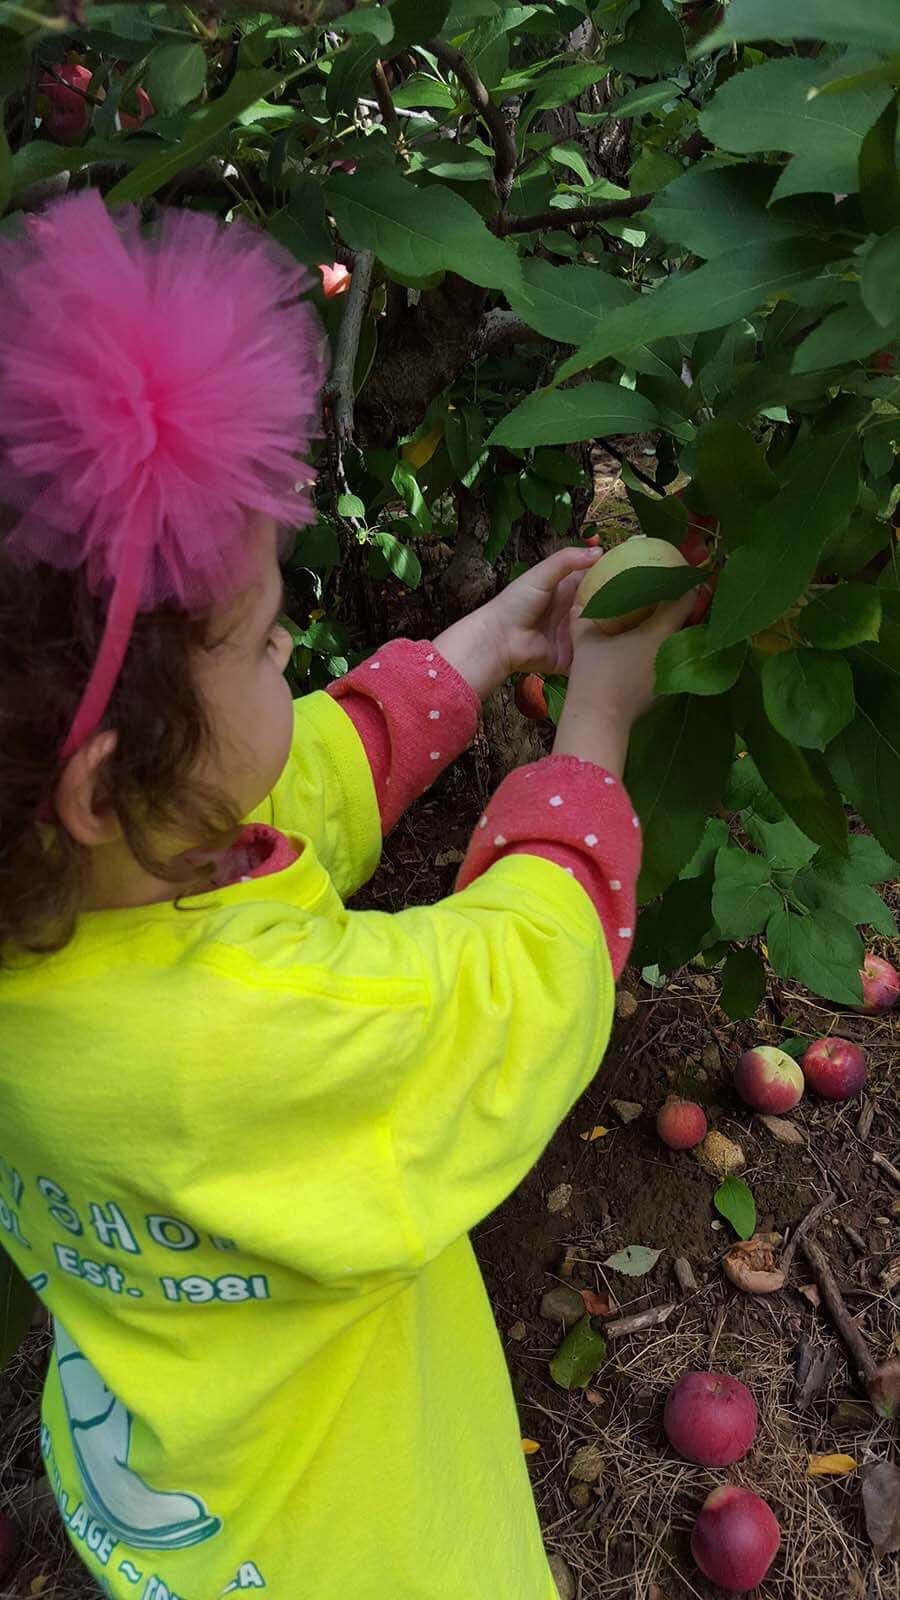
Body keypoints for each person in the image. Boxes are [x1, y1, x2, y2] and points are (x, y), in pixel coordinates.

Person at [0, 192, 693, 1600]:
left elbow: (279, 791)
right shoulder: (237, 1042)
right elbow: (502, 1008)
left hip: (177, 1500)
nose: (288, 661)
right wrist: (594, 735)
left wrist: (476, 650)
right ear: (105, 784)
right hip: (354, 1547)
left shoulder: (70, 901)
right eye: (265, 647)